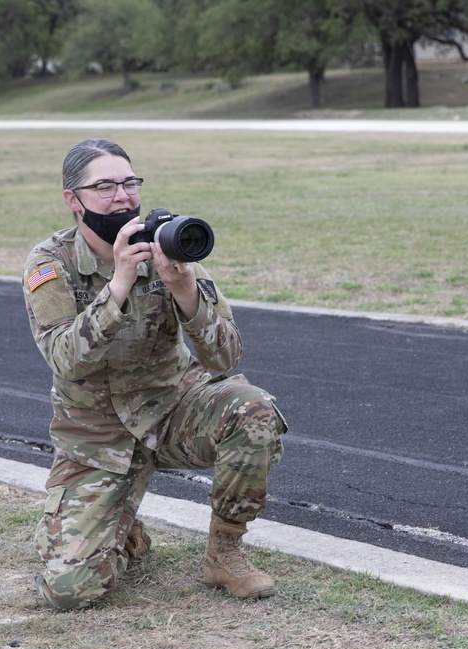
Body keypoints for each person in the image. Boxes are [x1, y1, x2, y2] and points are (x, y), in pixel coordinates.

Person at [22, 138, 286, 611]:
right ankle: (121, 530)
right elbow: (66, 359)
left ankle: (224, 552)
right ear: (73, 200)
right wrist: (119, 283)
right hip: (96, 438)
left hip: (172, 412)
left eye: (129, 183)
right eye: (104, 186)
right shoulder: (51, 263)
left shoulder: (169, 243)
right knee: (68, 591)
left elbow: (226, 359)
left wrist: (184, 288)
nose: (122, 197)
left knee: (253, 410)